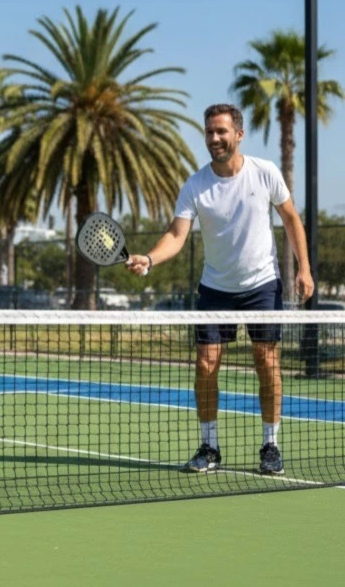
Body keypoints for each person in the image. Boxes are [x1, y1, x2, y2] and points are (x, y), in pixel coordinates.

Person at [125, 103, 313, 476]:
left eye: (221, 131)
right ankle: (209, 445)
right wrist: (149, 258)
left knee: (267, 361)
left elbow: (291, 218)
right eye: (210, 132)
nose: (214, 138)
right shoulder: (195, 185)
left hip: (261, 284)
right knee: (206, 364)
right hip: (215, 287)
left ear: (238, 135)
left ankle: (270, 445)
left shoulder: (265, 173)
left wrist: (304, 268)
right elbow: (177, 236)